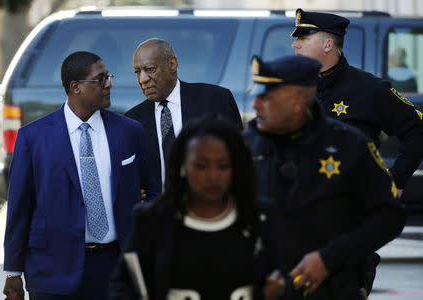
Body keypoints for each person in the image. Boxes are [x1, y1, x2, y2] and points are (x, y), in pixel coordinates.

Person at [243, 55, 406, 300]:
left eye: (265, 98)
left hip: (331, 290)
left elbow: (389, 217)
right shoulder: (243, 146)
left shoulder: (349, 146)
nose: (254, 105)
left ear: (298, 103)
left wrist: (329, 259)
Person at [2, 51, 158, 300]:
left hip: (114, 266)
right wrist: (12, 271)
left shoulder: (129, 131)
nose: (109, 84)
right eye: (100, 79)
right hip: (52, 269)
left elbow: (151, 191)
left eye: (108, 76)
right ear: (75, 87)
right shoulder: (33, 138)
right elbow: (20, 208)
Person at [109, 115, 284, 300]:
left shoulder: (260, 218)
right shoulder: (153, 220)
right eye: (201, 166)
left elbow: (281, 278)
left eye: (223, 166)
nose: (212, 176)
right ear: (183, 165)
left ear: (236, 168)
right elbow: (123, 287)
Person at [291, 8, 423, 197]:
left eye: (303, 39)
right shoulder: (292, 87)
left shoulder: (369, 89)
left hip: (352, 210)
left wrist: (396, 180)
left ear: (328, 45)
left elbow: (417, 129)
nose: (295, 44)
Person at [125, 38, 243, 191]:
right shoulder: (132, 120)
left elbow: (240, 158)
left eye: (150, 69)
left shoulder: (216, 99)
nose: (142, 79)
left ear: (172, 64)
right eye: (137, 72)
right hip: (161, 210)